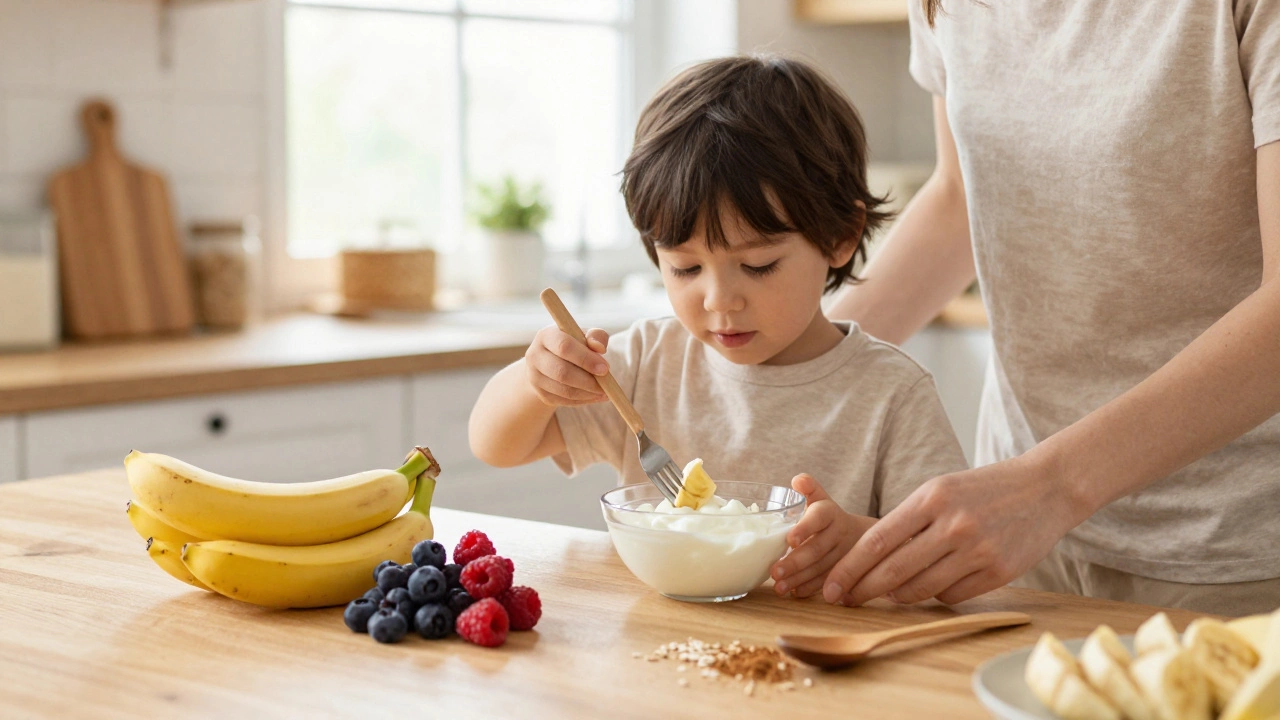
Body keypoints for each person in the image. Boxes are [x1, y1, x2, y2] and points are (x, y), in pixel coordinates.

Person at [773, 0, 1280, 616]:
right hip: (1014, 535)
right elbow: (962, 198)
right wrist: (785, 373)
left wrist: (1051, 487)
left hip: (1232, 546)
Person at [468, 55, 969, 594]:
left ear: (841, 237)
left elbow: (946, 559)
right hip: (663, 653)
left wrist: (858, 541)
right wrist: (534, 381)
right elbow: (494, 445)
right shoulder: (642, 365)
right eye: (685, 268)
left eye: (757, 266)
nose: (719, 301)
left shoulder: (892, 393)